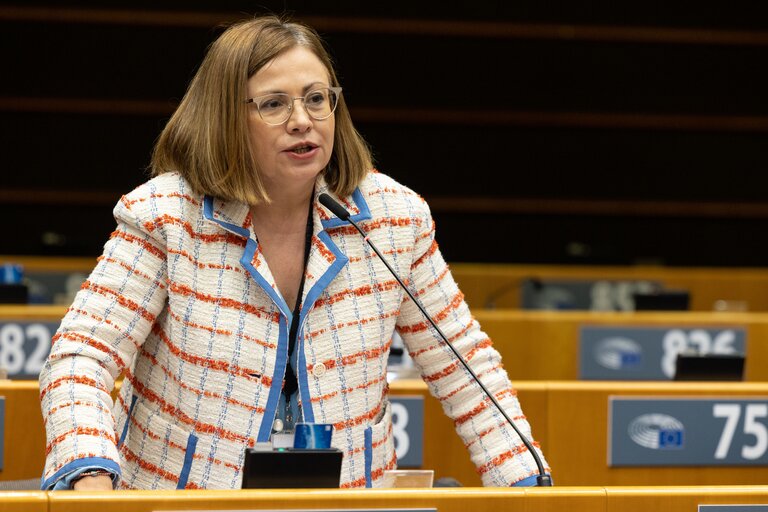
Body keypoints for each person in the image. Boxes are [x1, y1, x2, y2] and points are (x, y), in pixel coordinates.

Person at [40, 14, 550, 491]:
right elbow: (80, 356)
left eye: (316, 99)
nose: (302, 120)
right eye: (274, 104)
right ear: (225, 117)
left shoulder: (394, 217)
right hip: (186, 496)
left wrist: (528, 482)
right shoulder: (166, 216)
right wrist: (91, 476)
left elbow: (465, 367)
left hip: (347, 498)